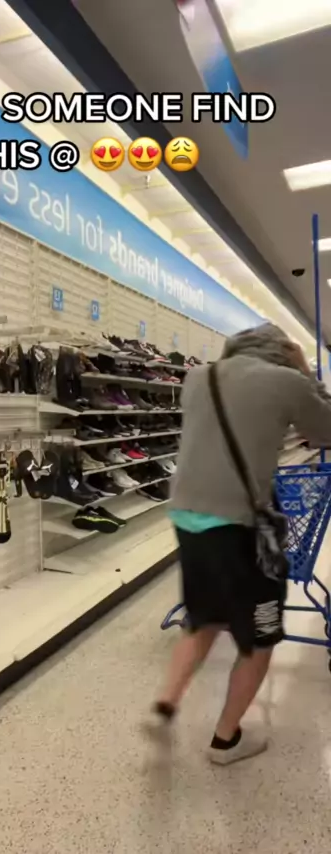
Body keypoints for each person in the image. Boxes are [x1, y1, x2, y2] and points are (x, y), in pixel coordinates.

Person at [149, 323, 331, 765]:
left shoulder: (199, 376)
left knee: (204, 617)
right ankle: (225, 740)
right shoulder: (286, 380)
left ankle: (164, 706)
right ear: (283, 352)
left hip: (187, 517)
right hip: (240, 527)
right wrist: (306, 373)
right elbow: (326, 430)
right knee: (260, 638)